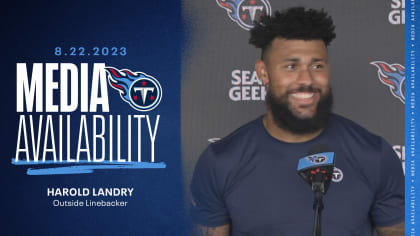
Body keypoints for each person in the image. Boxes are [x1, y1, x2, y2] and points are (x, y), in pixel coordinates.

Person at [190, 7, 404, 236]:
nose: (306, 79)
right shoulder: (221, 161)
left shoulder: (373, 154)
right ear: (263, 73)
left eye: (317, 66)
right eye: (291, 66)